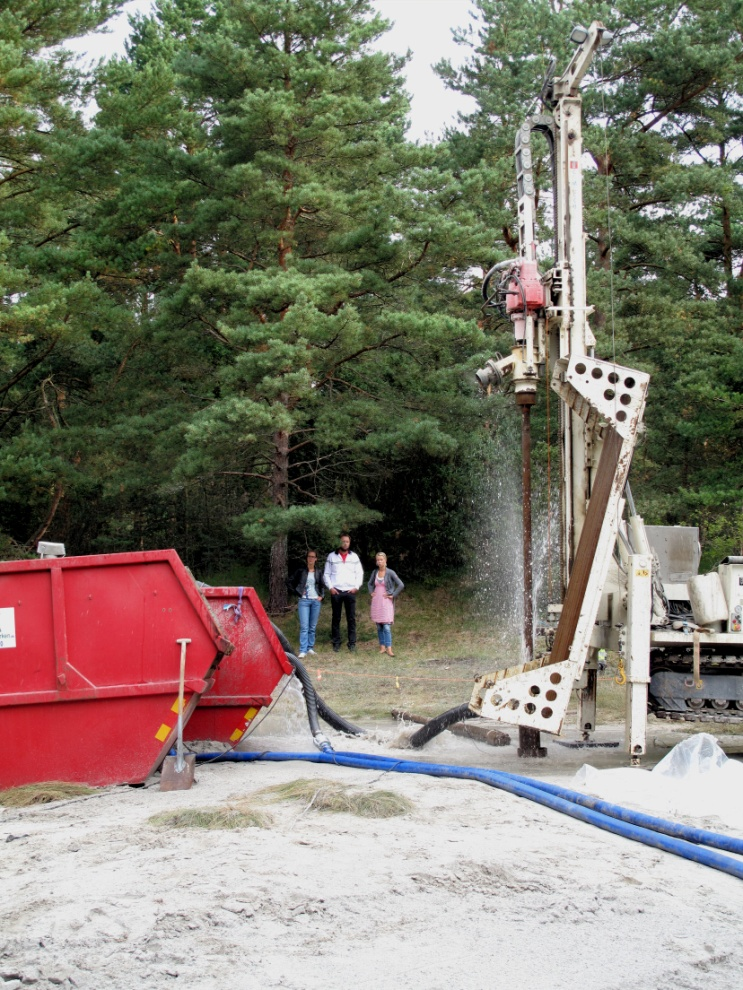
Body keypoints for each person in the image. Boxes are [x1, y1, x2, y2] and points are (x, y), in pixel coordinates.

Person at [324, 534, 364, 652]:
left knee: (351, 618)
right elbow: (326, 574)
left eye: (347, 541)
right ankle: (336, 642)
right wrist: (330, 587)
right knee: (336, 618)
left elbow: (360, 573)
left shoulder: (354, 557)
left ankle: (352, 643)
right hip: (336, 592)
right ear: (339, 542)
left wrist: (356, 587)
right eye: (343, 541)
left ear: (349, 543)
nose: (345, 543)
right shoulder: (331, 556)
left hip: (350, 591)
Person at [285, 550, 325, 659]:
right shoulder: (301, 571)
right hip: (304, 601)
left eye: (313, 557)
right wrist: (297, 592)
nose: (311, 558)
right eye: (309, 556)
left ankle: (310, 648)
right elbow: (289, 582)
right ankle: (303, 650)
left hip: (315, 601)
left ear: (316, 559)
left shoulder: (319, 572)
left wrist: (321, 596)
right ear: (307, 558)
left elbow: (322, 585)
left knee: (312, 626)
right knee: (304, 626)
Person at [367, 552, 404, 657]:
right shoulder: (375, 572)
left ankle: (389, 648)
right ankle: (382, 647)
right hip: (377, 601)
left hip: (386, 602)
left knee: (386, 627)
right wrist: (371, 592)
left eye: (381, 560)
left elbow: (401, 584)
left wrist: (393, 594)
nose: (379, 561)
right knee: (379, 626)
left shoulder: (390, 572)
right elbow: (369, 583)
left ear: (385, 561)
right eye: (377, 560)